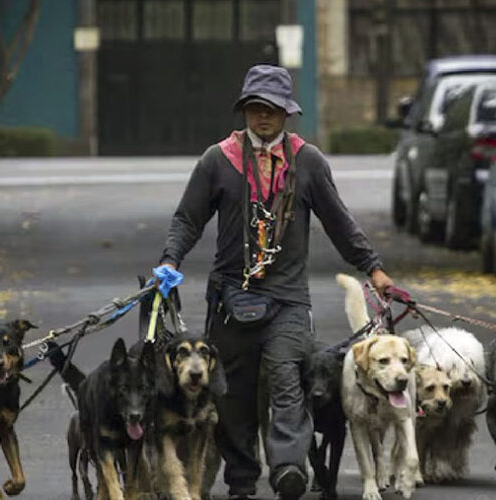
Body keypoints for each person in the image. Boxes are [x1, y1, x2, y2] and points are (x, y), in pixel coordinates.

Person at [156, 64, 393, 500]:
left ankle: (287, 468)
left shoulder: (308, 162)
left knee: (288, 381)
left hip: (288, 299)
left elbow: (339, 222)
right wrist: (170, 261)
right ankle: (242, 479)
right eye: (255, 108)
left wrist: (373, 268)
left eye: (272, 108)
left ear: (287, 113)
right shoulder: (218, 160)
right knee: (232, 395)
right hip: (231, 297)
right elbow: (187, 219)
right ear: (244, 110)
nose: (263, 116)